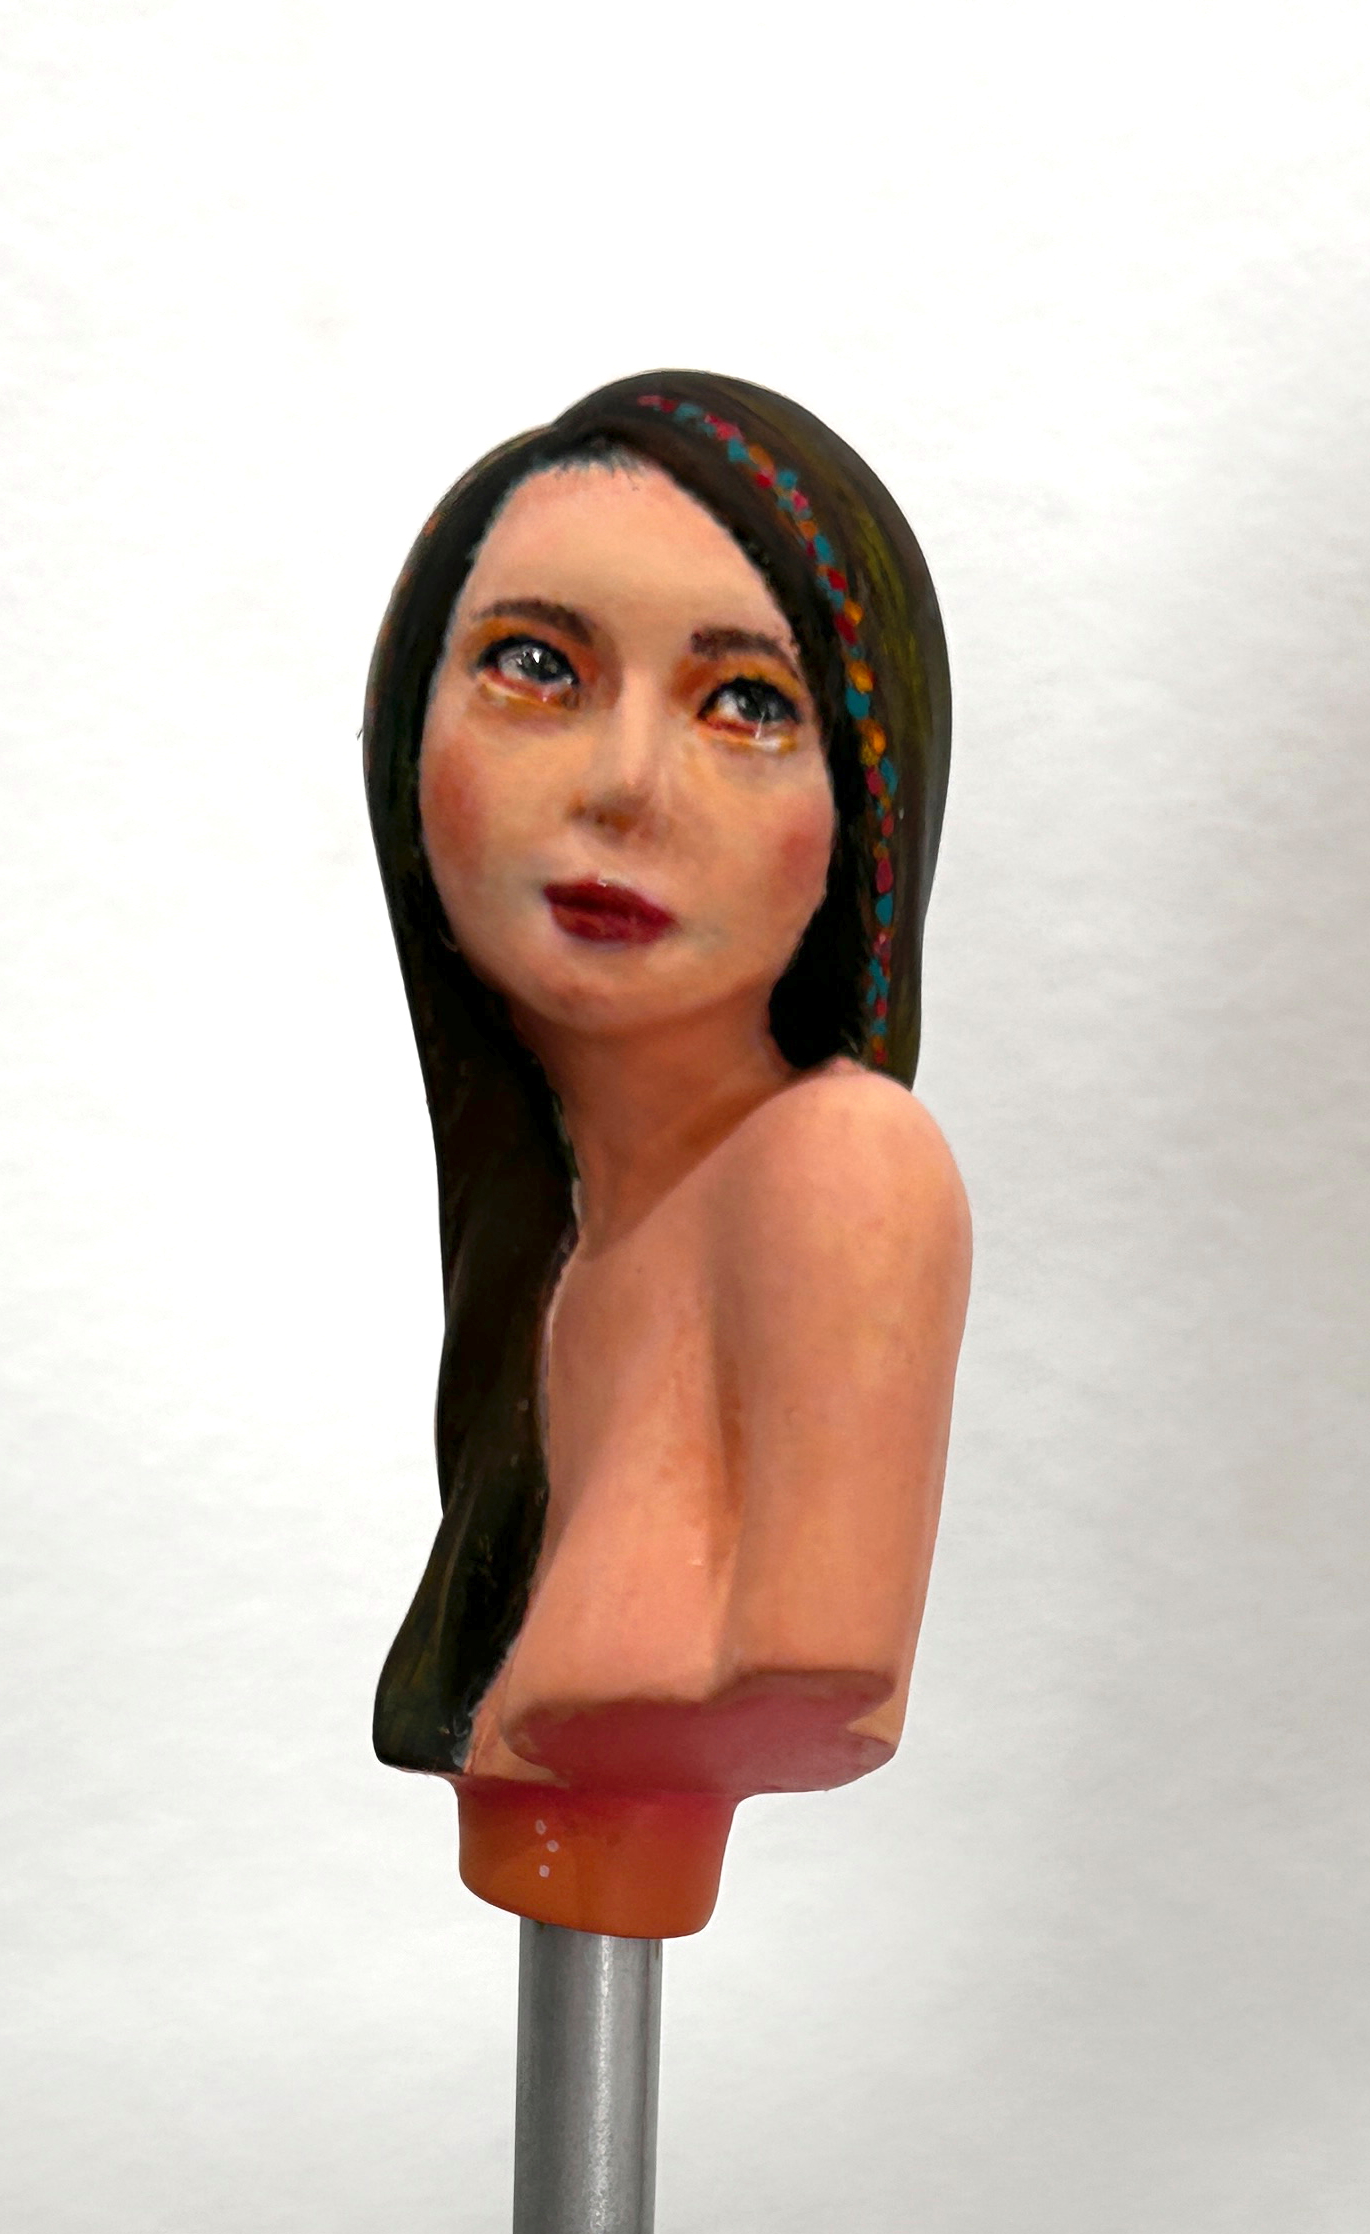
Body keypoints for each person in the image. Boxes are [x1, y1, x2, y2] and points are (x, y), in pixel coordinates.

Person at [362, 375, 969, 1936]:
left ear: (863, 806)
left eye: (747, 703)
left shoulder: (841, 1174)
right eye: (537, 669)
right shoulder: (560, 1263)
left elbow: (809, 1661)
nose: (626, 783)